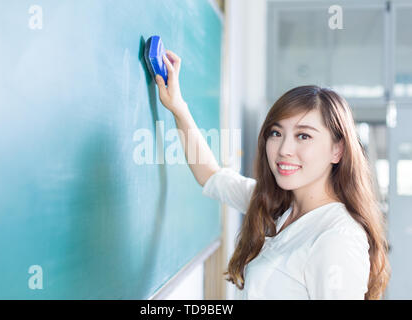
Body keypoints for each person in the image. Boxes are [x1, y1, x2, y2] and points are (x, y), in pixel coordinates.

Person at [155, 50, 391, 300]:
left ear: (337, 150)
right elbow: (211, 175)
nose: (283, 150)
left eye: (304, 136)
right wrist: (178, 108)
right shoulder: (279, 206)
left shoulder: (337, 238)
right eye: (276, 133)